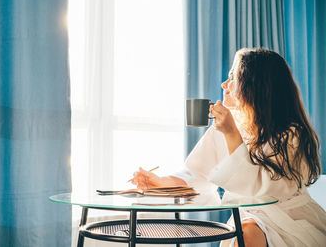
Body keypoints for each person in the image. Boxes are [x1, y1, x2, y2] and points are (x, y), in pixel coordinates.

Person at [131, 48, 326, 247]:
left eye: (232, 77)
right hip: (249, 219)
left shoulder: (291, 135)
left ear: (254, 85)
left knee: (247, 233)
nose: (224, 84)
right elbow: (195, 173)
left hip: (289, 219)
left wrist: (231, 133)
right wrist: (160, 181)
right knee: (245, 231)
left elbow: (259, 188)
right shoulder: (228, 128)